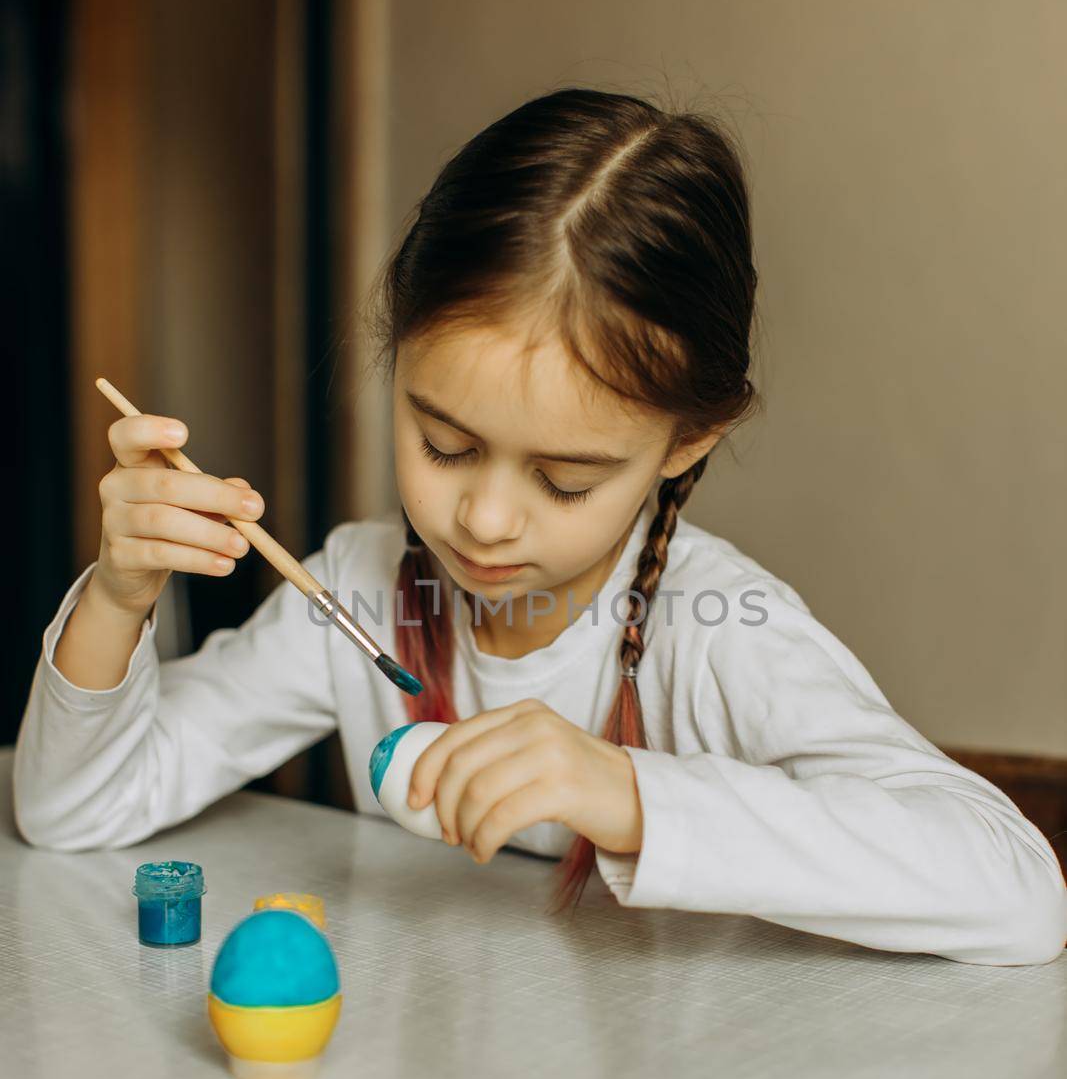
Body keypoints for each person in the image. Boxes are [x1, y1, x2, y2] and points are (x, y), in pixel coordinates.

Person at [13, 88, 1066, 965]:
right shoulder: (365, 593)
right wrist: (119, 595)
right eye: (444, 444)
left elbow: (1019, 892)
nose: (481, 519)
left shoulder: (717, 629)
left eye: (565, 480)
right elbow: (69, 813)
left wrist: (625, 791)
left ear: (685, 442)